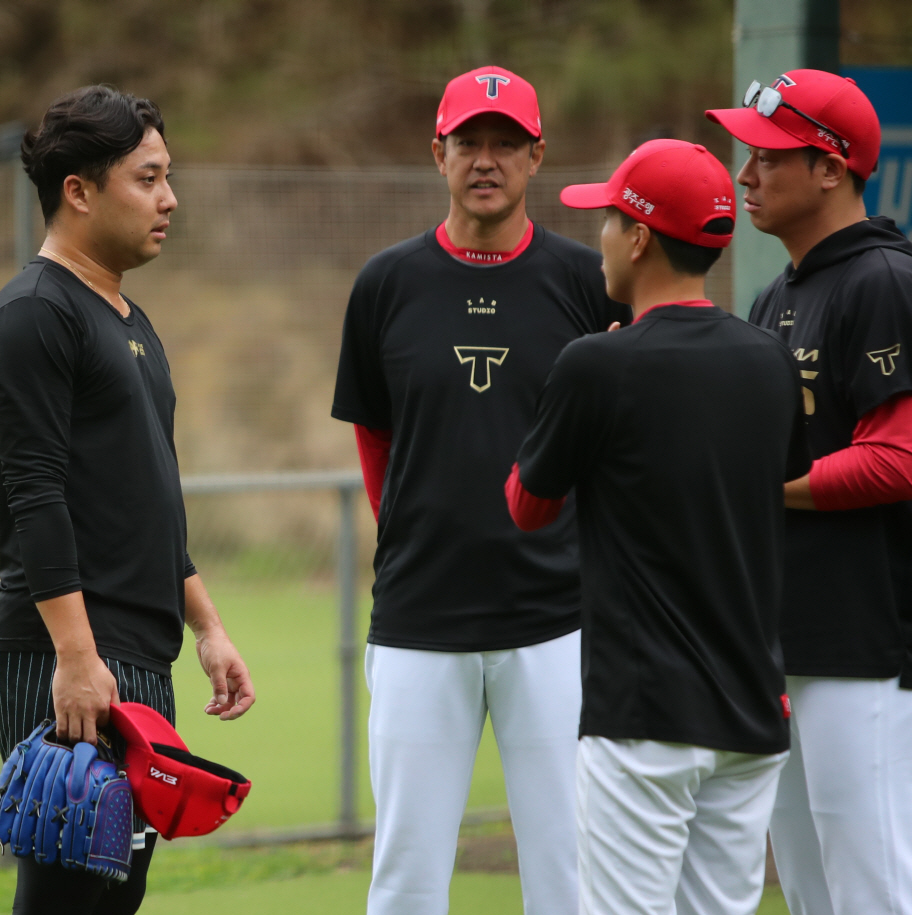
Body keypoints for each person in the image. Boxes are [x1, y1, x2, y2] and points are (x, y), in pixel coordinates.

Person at [331, 65, 630, 915]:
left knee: (569, 872)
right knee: (407, 877)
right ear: (439, 153)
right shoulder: (385, 284)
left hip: (561, 621)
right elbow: (374, 434)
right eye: (469, 142)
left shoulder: (589, 283)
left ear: (539, 158)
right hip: (421, 620)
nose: (486, 160)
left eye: (506, 144)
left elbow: (620, 441)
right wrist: (424, 538)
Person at [507, 139, 811, 915]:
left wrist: (576, 410)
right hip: (749, 707)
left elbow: (526, 505)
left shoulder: (596, 365)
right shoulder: (769, 358)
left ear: (639, 237)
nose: (599, 236)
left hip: (643, 711)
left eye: (609, 219)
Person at [705, 69, 912, 915]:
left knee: (874, 893)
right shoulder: (776, 291)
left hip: (875, 642)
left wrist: (759, 489)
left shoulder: (885, 282)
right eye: (745, 155)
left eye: (768, 156)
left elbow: (902, 459)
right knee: (818, 895)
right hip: (794, 638)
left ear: (831, 167)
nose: (745, 174)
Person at [0, 85, 256, 915]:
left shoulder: (129, 317)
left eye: (168, 176)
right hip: (66, 650)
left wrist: (206, 624)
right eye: (148, 177)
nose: (170, 198)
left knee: (115, 889)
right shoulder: (34, 314)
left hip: (136, 649)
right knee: (70, 892)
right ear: (79, 190)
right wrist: (73, 655)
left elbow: (148, 496)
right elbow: (36, 495)